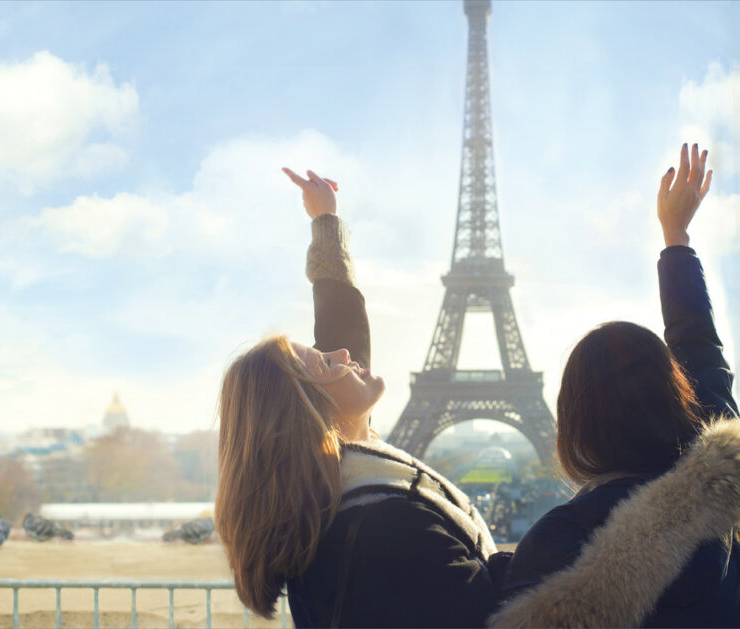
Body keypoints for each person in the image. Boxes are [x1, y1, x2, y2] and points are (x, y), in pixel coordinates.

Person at [215, 147, 740, 628]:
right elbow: (704, 363)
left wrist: (327, 227)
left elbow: (341, 342)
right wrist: (676, 238)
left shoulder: (342, 502)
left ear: (577, 423)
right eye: (324, 362)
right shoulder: (385, 527)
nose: (345, 354)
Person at [500, 143, 740, 626]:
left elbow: (701, 354)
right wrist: (676, 237)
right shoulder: (723, 485)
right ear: (676, 397)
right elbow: (701, 353)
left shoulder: (556, 544)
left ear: (574, 422)